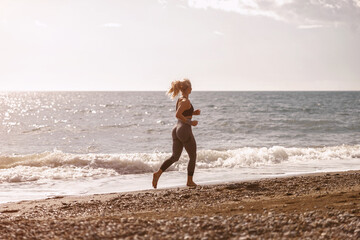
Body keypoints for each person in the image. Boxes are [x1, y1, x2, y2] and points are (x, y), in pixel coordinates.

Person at [152, 79, 200, 188]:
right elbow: (178, 114)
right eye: (191, 87)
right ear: (187, 89)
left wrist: (193, 113)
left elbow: (183, 112)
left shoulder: (180, 99)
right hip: (184, 129)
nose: (192, 89)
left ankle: (158, 173)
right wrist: (190, 122)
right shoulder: (186, 101)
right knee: (193, 156)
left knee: (175, 157)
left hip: (176, 129)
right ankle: (190, 181)